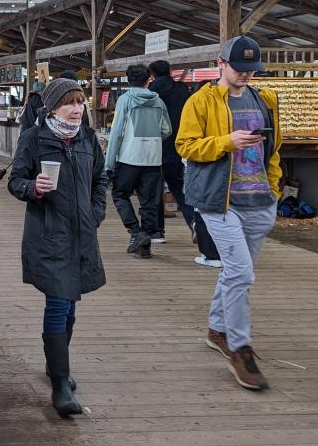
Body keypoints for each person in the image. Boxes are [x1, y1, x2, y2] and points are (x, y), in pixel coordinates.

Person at [176, 36, 281, 391]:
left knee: (238, 273)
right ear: (220, 63)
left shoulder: (265, 98)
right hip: (218, 200)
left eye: (252, 70)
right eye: (239, 68)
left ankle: (217, 329)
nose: (246, 75)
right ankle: (240, 348)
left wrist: (274, 191)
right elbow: (186, 147)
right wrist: (226, 142)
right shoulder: (200, 101)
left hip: (260, 200)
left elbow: (273, 151)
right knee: (241, 274)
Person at [7, 76, 107, 418]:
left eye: (81, 102)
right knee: (59, 300)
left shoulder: (88, 138)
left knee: (70, 303)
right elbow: (15, 180)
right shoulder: (34, 139)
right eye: (70, 102)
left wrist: (96, 212)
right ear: (52, 107)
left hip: (82, 233)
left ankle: (55, 365)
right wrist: (33, 186)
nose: (78, 109)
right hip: (48, 233)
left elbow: (100, 179)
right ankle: (61, 382)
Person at [149, 60, 221, 267]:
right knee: (180, 188)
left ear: (152, 74)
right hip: (178, 146)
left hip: (155, 147)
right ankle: (193, 222)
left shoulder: (152, 93)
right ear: (170, 72)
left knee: (154, 189)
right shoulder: (183, 91)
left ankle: (157, 232)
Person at [105, 64, 171, 259]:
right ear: (148, 79)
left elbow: (116, 133)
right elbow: (167, 130)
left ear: (128, 80)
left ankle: (136, 231)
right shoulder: (158, 101)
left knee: (119, 194)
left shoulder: (125, 100)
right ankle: (145, 247)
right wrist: (152, 140)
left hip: (128, 158)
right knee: (150, 202)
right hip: (153, 159)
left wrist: (109, 163)